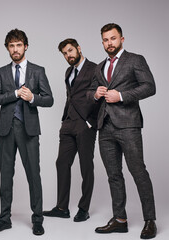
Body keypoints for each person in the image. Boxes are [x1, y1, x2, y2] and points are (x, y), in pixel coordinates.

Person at [91, 23, 157, 239]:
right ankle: (120, 219)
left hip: (128, 125)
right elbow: (90, 92)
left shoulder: (135, 60)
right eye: (105, 40)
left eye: (113, 38)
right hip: (105, 126)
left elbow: (149, 86)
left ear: (122, 39)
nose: (109, 43)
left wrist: (120, 96)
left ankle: (150, 221)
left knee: (138, 171)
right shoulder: (99, 66)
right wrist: (95, 94)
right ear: (102, 42)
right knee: (113, 175)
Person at [0, 29, 53, 236]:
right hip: (6, 130)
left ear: (25, 46)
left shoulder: (38, 71)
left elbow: (49, 99)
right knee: (6, 176)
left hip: (29, 129)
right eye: (11, 46)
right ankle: (4, 218)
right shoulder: (1, 72)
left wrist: (32, 97)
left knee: (34, 175)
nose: (15, 49)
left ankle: (37, 220)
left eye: (18, 45)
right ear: (7, 48)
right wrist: (15, 93)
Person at [43, 39, 98, 222]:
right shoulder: (68, 71)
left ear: (79, 48)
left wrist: (91, 121)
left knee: (85, 166)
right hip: (68, 123)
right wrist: (65, 118)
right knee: (62, 163)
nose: (68, 55)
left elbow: (100, 96)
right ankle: (62, 207)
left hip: (85, 124)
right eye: (65, 53)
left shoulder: (95, 68)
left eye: (70, 51)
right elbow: (71, 96)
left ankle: (84, 208)